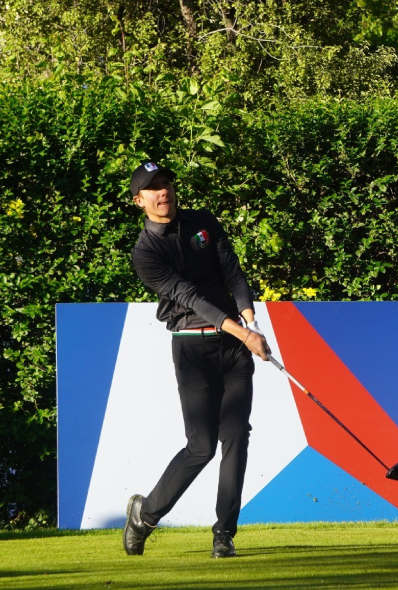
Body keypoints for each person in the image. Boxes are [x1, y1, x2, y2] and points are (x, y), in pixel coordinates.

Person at [122, 161, 272, 558]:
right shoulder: (146, 253)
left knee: (237, 435)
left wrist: (250, 317)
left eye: (166, 183)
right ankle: (145, 514)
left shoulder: (203, 221)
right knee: (201, 446)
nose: (163, 191)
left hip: (234, 347)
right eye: (152, 188)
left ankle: (224, 533)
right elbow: (191, 298)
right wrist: (244, 332)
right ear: (139, 201)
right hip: (193, 349)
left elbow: (232, 273)